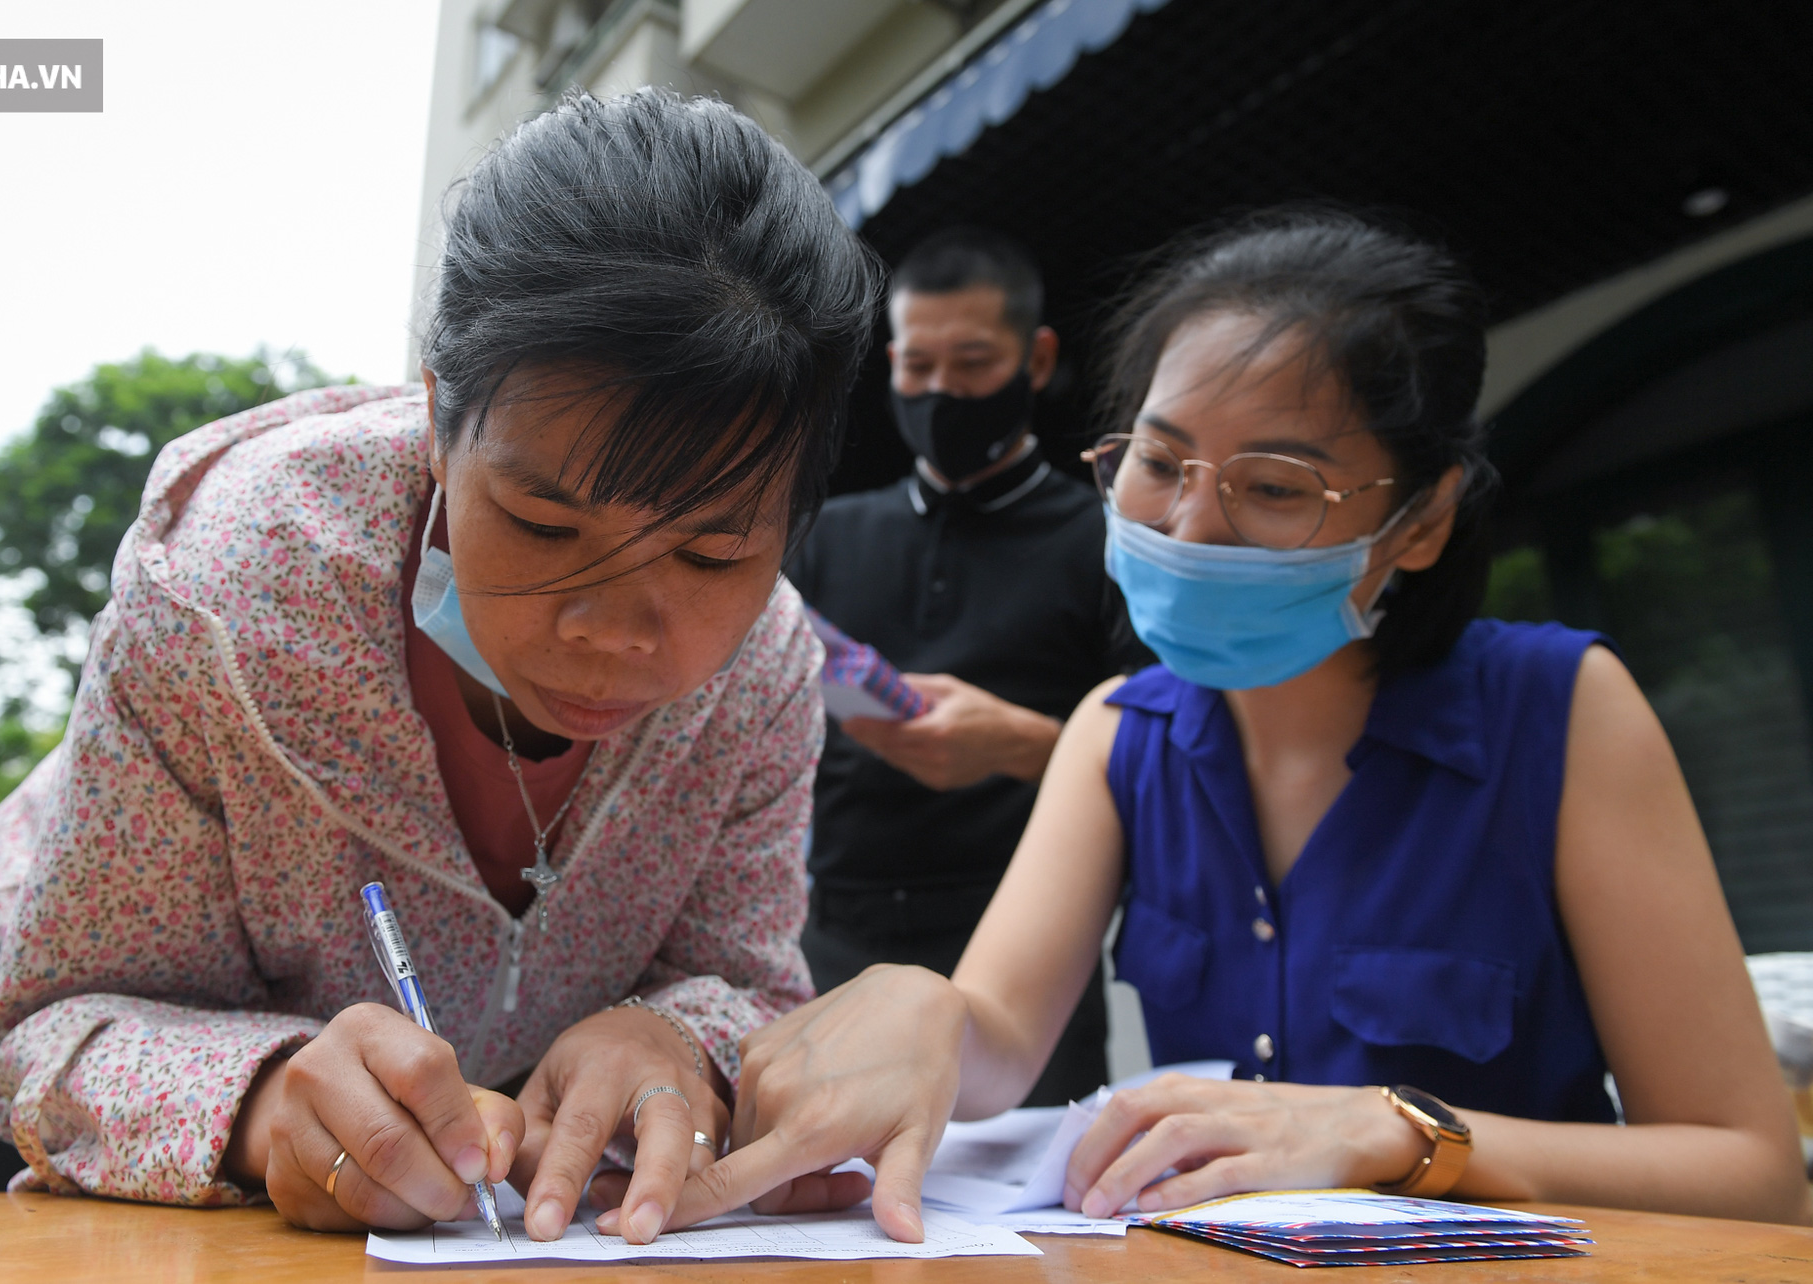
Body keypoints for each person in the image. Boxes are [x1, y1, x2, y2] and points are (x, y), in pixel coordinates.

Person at [665, 208, 1813, 1238]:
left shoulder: (1560, 710)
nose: (1189, 526)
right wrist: (914, 1009)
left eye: (1273, 487)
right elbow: (997, 1038)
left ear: (1419, 522)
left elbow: (1751, 1173)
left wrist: (1398, 1133)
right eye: (1156, 462)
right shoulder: (1119, 731)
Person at [0, 88, 879, 1244]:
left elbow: (747, 982)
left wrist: (674, 1036)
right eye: (540, 524)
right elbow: (48, 1032)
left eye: (713, 549)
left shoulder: (767, 663)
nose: (614, 630)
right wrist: (268, 1102)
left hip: (489, 1200)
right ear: (437, 420)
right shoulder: (226, 591)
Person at [785, 228, 1140, 1106]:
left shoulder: (1108, 541)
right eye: (918, 366)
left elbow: (1175, 759)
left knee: (1037, 1221)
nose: (943, 391)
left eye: (974, 362)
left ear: (1037, 356)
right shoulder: (824, 536)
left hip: (1024, 948)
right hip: (829, 937)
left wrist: (1028, 746)